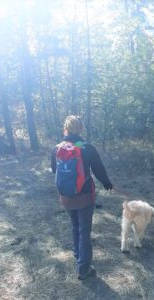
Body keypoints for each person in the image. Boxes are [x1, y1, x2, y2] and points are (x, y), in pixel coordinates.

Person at [51, 115, 113, 280]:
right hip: (85, 196)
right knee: (84, 231)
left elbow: (53, 170)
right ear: (81, 129)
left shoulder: (56, 148)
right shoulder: (87, 148)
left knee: (74, 225)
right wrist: (107, 183)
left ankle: (78, 254)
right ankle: (83, 268)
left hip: (66, 197)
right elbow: (99, 169)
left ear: (65, 128)